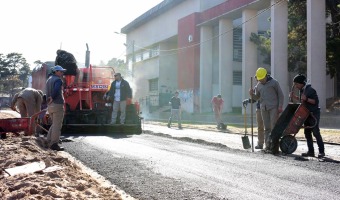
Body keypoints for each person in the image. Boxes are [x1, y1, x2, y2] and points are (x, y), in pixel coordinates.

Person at [290, 74, 325, 158]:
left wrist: (306, 99)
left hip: (313, 113)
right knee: (307, 133)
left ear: (301, 83)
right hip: (306, 113)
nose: (295, 86)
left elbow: (315, 102)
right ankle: (311, 151)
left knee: (316, 132)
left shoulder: (310, 90)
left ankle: (321, 151)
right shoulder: (302, 90)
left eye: (296, 84)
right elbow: (302, 100)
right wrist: (294, 97)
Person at [249, 67, 284, 151]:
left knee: (274, 126)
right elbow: (257, 97)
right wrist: (251, 94)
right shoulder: (258, 85)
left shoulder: (274, 83)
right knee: (266, 128)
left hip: (273, 107)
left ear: (266, 76)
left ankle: (275, 146)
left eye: (261, 79)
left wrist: (280, 106)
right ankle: (267, 146)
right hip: (263, 108)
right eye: (259, 79)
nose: (260, 81)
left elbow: (281, 95)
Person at [45, 65, 66, 151]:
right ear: (56, 71)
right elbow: (56, 89)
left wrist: (50, 100)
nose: (62, 73)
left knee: (54, 124)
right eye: (60, 71)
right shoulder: (58, 80)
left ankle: (48, 141)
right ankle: (54, 144)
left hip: (50, 106)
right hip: (57, 104)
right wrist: (52, 97)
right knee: (57, 125)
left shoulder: (49, 80)